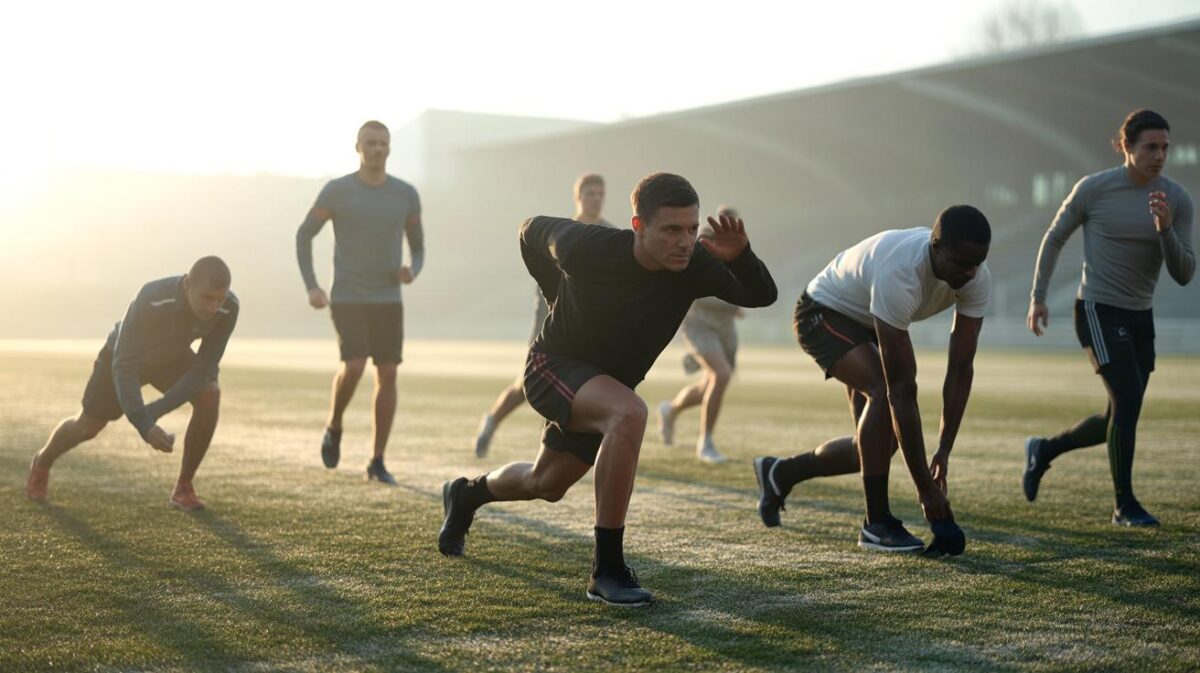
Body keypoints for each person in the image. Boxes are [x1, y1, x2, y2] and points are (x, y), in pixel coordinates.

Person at [439, 173, 777, 606]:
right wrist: (555, 294)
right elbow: (529, 231)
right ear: (638, 226)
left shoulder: (694, 263)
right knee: (630, 413)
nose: (684, 241)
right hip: (552, 367)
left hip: (604, 388)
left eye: (692, 229)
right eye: (671, 229)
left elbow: (762, 294)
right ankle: (608, 570)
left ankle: (466, 493)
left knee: (547, 483)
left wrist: (742, 256)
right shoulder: (587, 246)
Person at [753, 206, 992, 556]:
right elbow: (901, 390)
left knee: (875, 448)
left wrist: (943, 450)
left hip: (868, 318)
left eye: (978, 263)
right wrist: (926, 490)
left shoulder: (977, 276)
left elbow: (960, 368)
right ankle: (876, 523)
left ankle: (781, 473)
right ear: (936, 246)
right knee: (883, 391)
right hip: (823, 311)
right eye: (962, 263)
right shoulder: (901, 272)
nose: (971, 272)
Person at [1022, 109, 1194, 527]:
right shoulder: (1094, 189)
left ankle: (1044, 450)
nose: (1159, 156)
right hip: (1097, 309)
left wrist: (1165, 229)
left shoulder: (1176, 199)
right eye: (1150, 147)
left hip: (1140, 315)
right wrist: (1038, 296)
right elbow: (1054, 237)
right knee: (1128, 400)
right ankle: (1124, 505)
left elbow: (1184, 273)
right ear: (1126, 146)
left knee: (1119, 415)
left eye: (1165, 148)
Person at [25, 257, 237, 511]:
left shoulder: (229, 308)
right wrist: (144, 423)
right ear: (187, 284)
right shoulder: (152, 297)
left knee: (209, 393)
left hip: (171, 358)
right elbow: (124, 365)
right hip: (124, 357)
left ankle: (183, 487)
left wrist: (155, 410)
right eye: (207, 298)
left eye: (219, 299)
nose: (213, 308)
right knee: (88, 427)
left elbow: (203, 369)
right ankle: (42, 461)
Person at [296, 120, 425, 485]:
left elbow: (418, 247)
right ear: (358, 147)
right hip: (348, 294)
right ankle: (334, 424)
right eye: (370, 143)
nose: (377, 149)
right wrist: (312, 286)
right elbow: (304, 234)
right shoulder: (337, 191)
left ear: (389, 148)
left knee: (388, 372)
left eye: (383, 143)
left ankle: (377, 460)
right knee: (353, 365)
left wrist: (412, 270)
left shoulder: (405, 194)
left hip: (388, 297)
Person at [473, 173, 613, 458]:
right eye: (590, 193)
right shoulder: (561, 232)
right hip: (551, 315)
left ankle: (550, 452)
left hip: (586, 323)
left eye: (600, 194)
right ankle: (492, 420)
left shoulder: (610, 234)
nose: (596, 199)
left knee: (570, 384)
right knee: (528, 384)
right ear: (578, 197)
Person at [657, 205, 746, 463]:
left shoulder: (738, 249)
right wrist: (732, 302)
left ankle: (671, 409)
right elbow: (697, 289)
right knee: (721, 375)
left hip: (725, 329)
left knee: (710, 384)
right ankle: (705, 443)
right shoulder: (702, 245)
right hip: (699, 325)